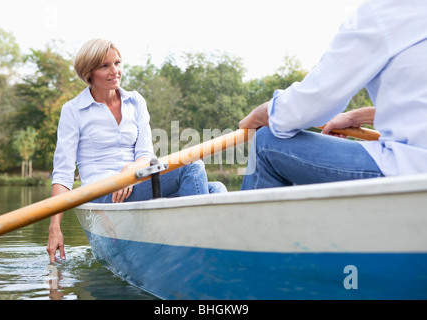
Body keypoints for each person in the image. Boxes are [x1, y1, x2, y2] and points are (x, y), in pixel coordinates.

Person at [47, 39, 226, 263]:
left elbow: (145, 154)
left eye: (118, 63)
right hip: (101, 197)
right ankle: (199, 251)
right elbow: (63, 174)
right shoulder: (73, 110)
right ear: (88, 73)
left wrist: (130, 172)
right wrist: (55, 228)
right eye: (105, 66)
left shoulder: (135, 101)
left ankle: (204, 249)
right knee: (191, 164)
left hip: (136, 180)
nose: (115, 71)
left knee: (216, 188)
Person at [239, 0, 427, 190]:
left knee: (265, 144)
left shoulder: (383, 11)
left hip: (412, 169)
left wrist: (266, 113)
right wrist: (356, 116)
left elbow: (310, 105)